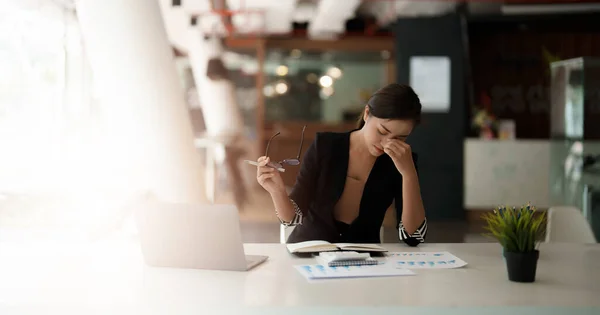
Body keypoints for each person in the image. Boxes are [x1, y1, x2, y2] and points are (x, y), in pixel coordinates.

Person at [256, 83, 427, 246]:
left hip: (363, 262)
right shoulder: (325, 146)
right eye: (382, 131)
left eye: (400, 138)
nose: (386, 143)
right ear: (367, 113)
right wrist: (277, 191)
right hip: (309, 253)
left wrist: (409, 174)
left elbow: (413, 237)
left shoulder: (402, 161)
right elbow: (293, 218)